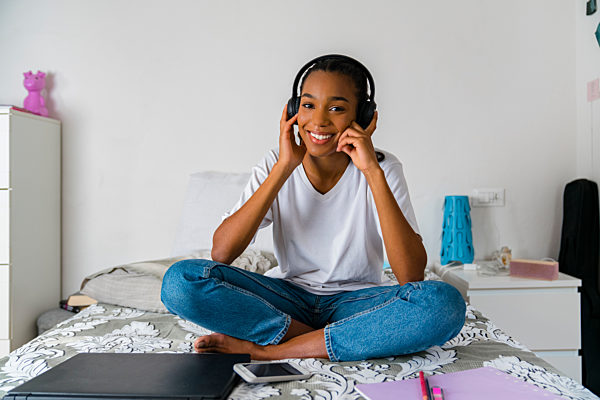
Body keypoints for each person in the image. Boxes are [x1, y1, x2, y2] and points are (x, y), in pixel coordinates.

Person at [161, 55, 466, 362]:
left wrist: (372, 171)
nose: (319, 121)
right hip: (288, 298)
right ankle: (335, 338)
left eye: (336, 108)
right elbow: (222, 253)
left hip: (357, 302)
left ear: (362, 116)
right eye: (308, 105)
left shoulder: (382, 168)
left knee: (444, 303)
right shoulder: (275, 163)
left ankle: (272, 350)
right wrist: (284, 167)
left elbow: (410, 276)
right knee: (181, 282)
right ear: (294, 111)